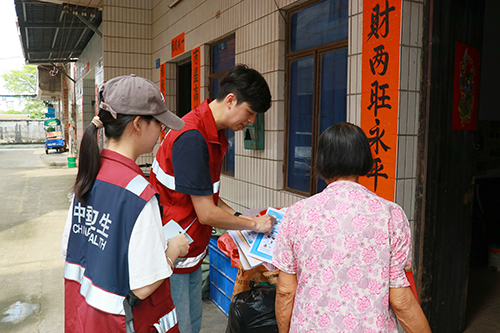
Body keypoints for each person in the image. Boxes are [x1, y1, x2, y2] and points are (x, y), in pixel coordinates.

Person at [149, 64, 275, 333]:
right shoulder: (193, 137)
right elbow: (206, 213)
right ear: (231, 100)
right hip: (172, 255)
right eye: (250, 113)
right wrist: (254, 225)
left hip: (189, 252)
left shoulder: (211, 133)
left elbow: (207, 196)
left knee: (192, 323)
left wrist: (243, 218)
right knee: (180, 326)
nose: (251, 122)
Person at [272, 122, 431, 333]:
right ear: (364, 159)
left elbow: (285, 291)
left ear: (321, 162)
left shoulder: (296, 215)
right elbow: (400, 299)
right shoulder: (391, 215)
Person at [61, 74, 190, 333]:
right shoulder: (138, 192)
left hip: (85, 316)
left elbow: (72, 249)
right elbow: (144, 286)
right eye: (159, 123)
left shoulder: (89, 174)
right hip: (121, 321)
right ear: (139, 124)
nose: (161, 131)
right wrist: (174, 249)